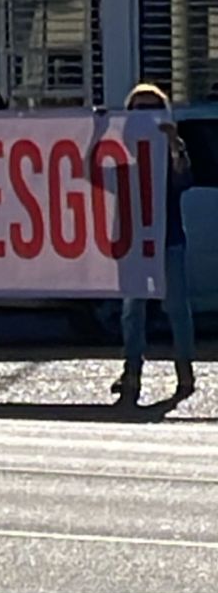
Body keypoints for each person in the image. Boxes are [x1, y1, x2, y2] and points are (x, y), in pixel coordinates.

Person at [116, 82, 197, 407]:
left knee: (177, 307)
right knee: (132, 309)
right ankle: (132, 370)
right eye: (139, 110)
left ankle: (185, 370)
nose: (145, 116)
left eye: (152, 108)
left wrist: (173, 142)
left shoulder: (169, 149)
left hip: (168, 238)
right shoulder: (122, 151)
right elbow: (95, 176)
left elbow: (184, 179)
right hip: (133, 241)